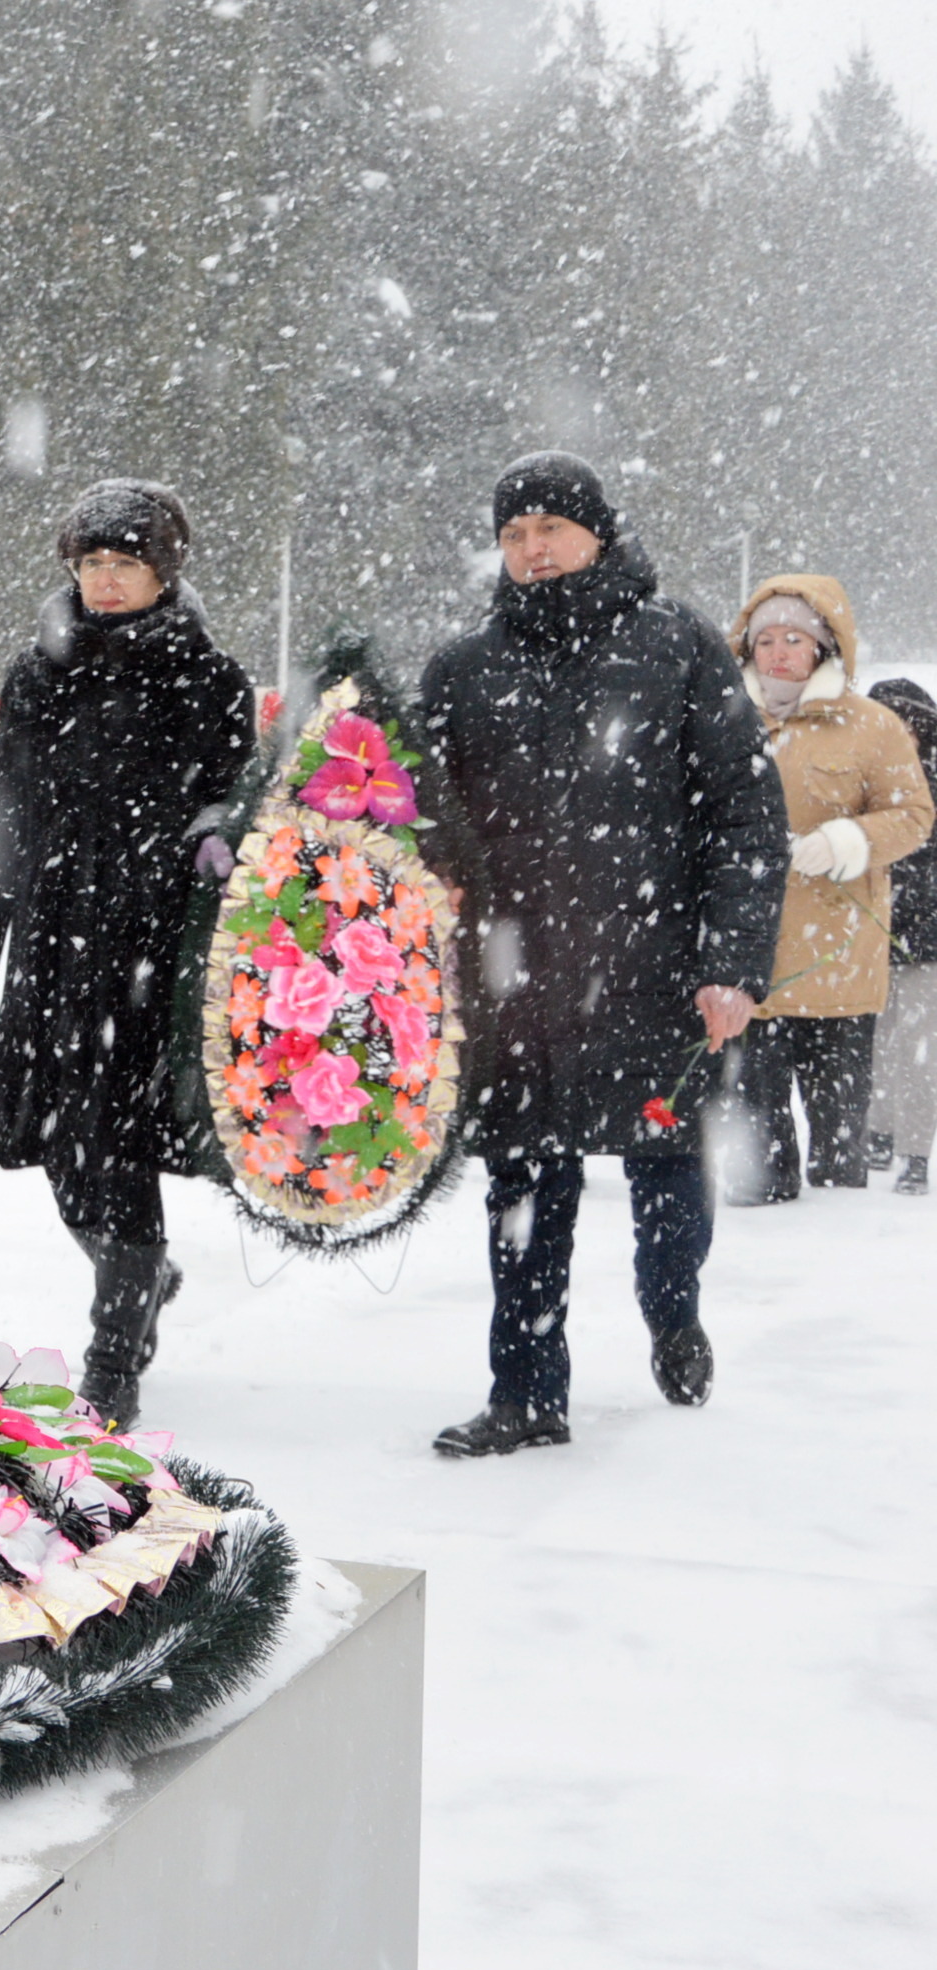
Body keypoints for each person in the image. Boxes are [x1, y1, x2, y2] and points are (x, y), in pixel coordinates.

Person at [415, 453, 788, 1457]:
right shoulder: (462, 665)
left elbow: (744, 813)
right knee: (520, 1183)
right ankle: (525, 1390)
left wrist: (731, 960)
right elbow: (422, 813)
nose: (531, 550)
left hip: (652, 967)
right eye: (512, 533)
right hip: (513, 978)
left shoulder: (675, 646)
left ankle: (670, 1308)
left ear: (596, 533)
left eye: (549, 529)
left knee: (663, 1158)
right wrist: (432, 869)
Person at [0, 480, 254, 1426]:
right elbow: (1, 808)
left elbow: (243, 785)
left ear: (163, 572)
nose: (107, 582)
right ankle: (143, 1275)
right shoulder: (42, 670)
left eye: (124, 564)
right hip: (54, 936)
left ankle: (114, 1355)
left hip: (154, 946)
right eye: (92, 565)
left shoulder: (209, 676)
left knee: (117, 1148)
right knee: (62, 1151)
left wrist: (221, 829)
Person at [718, 579, 931, 1200]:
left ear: (824, 647)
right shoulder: (719, 718)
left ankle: (838, 1272)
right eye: (765, 639)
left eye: (795, 638)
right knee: (755, 1163)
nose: (778, 652)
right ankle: (768, 1271)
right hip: (747, 972)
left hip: (838, 966)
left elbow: (913, 816)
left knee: (839, 1158)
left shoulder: (874, 727)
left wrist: (849, 841)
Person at [862, 674, 937, 1195]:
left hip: (927, 946)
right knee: (871, 1047)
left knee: (918, 1053)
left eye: (909, 722)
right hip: (866, 937)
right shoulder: (860, 782)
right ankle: (876, 1133)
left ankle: (915, 1152)